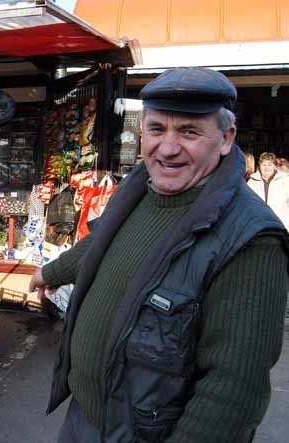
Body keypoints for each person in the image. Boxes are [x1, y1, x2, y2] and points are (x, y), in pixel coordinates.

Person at [29, 67, 289, 443]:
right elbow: (100, 243)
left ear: (225, 138)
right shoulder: (139, 188)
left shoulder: (251, 240)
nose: (168, 148)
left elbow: (232, 391)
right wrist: (51, 272)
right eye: (157, 130)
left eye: (189, 131)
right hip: (83, 419)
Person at [248, 152, 289, 231]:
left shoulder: (286, 181)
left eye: (270, 165)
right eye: (264, 165)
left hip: (281, 226)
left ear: (274, 166)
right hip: (259, 227)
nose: (267, 168)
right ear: (259, 166)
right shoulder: (251, 182)